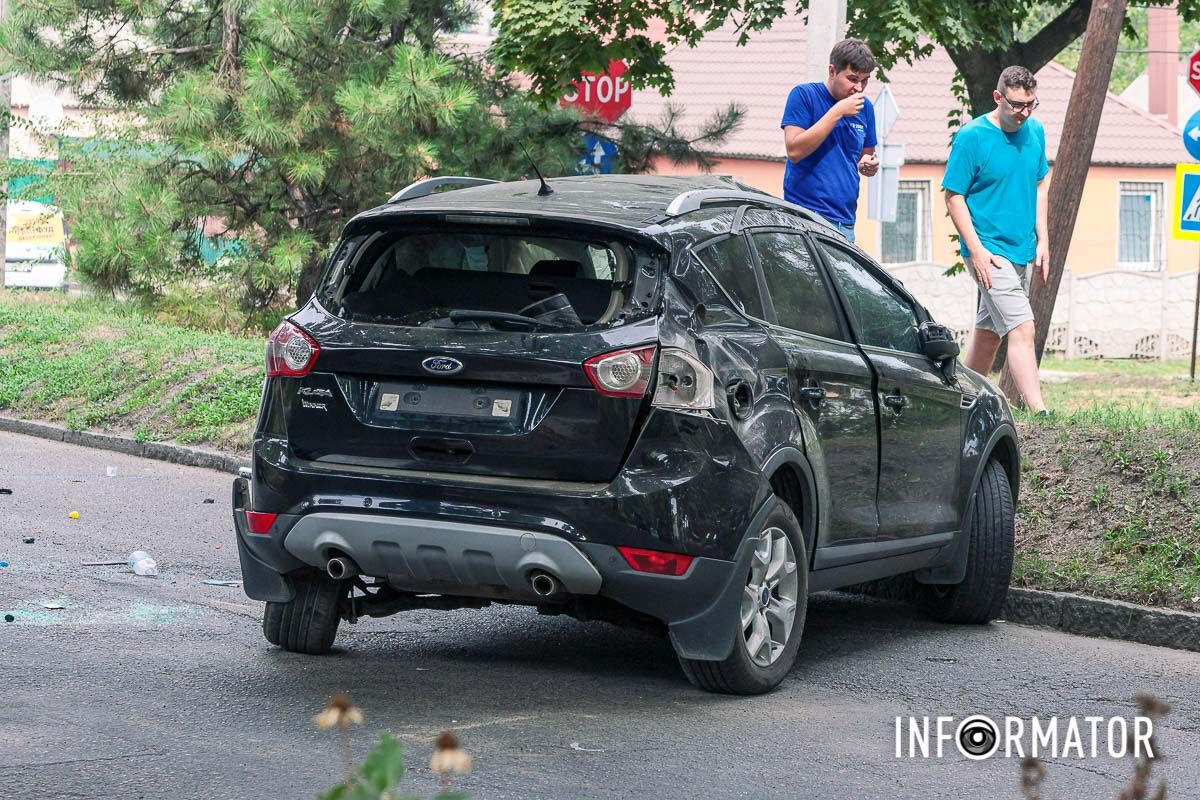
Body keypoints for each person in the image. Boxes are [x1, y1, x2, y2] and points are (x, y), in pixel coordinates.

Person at [943, 65, 1050, 414]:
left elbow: (1039, 185)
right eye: (1016, 105)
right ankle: (1039, 412)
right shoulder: (971, 137)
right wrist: (976, 251)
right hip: (989, 251)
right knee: (1022, 326)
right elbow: (953, 195)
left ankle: (961, 404)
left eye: (1030, 104)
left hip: (1021, 249)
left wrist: (1043, 240)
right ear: (998, 97)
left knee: (989, 335)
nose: (1023, 112)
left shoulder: (1035, 131)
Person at [780, 39, 880, 242]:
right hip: (806, 217)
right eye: (852, 79)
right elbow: (794, 151)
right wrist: (838, 111)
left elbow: (866, 154)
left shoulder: (865, 108)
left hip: (845, 222)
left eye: (865, 80)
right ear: (832, 71)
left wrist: (868, 164)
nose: (859, 88)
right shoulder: (804, 95)